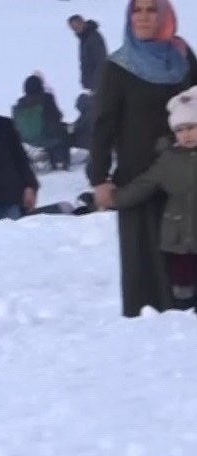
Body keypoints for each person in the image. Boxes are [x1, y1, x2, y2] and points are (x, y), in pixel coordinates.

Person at [89, 0, 197, 317]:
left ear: (165, 15)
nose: (144, 17)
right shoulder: (118, 67)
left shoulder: (182, 57)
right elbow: (103, 125)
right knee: (147, 260)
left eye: (152, 10)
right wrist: (98, 178)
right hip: (139, 175)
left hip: (186, 176)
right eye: (137, 10)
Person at [112, 90, 197, 308]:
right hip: (180, 236)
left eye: (191, 128)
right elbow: (144, 184)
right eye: (180, 130)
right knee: (183, 281)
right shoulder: (168, 160)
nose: (186, 134)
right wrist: (116, 198)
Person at [69, 15, 110, 93]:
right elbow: (85, 61)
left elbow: (100, 61)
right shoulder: (84, 38)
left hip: (100, 83)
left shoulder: (93, 37)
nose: (76, 30)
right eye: (73, 28)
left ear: (82, 23)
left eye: (77, 26)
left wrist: (97, 82)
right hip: (94, 83)